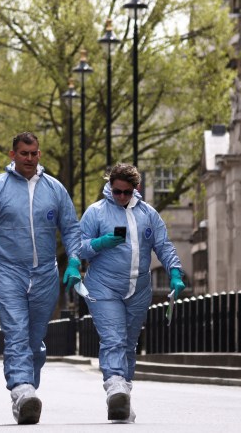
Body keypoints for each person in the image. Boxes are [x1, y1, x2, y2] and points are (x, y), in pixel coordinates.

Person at [0, 132, 82, 425]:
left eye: (34, 154)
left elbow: (71, 229)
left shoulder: (55, 190)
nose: (30, 159)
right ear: (12, 155)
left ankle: (26, 395)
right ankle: (21, 390)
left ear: (39, 154)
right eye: (24, 154)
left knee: (35, 339)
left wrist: (73, 261)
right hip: (8, 271)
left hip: (46, 273)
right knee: (16, 331)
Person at [77, 162, 185, 423]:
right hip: (103, 286)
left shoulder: (148, 214)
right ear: (110, 187)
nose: (121, 197)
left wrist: (175, 271)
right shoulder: (96, 213)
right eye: (117, 192)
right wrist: (99, 243)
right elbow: (78, 248)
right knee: (113, 337)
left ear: (136, 188)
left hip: (140, 288)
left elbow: (163, 245)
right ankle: (114, 385)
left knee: (128, 342)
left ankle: (123, 396)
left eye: (126, 192)